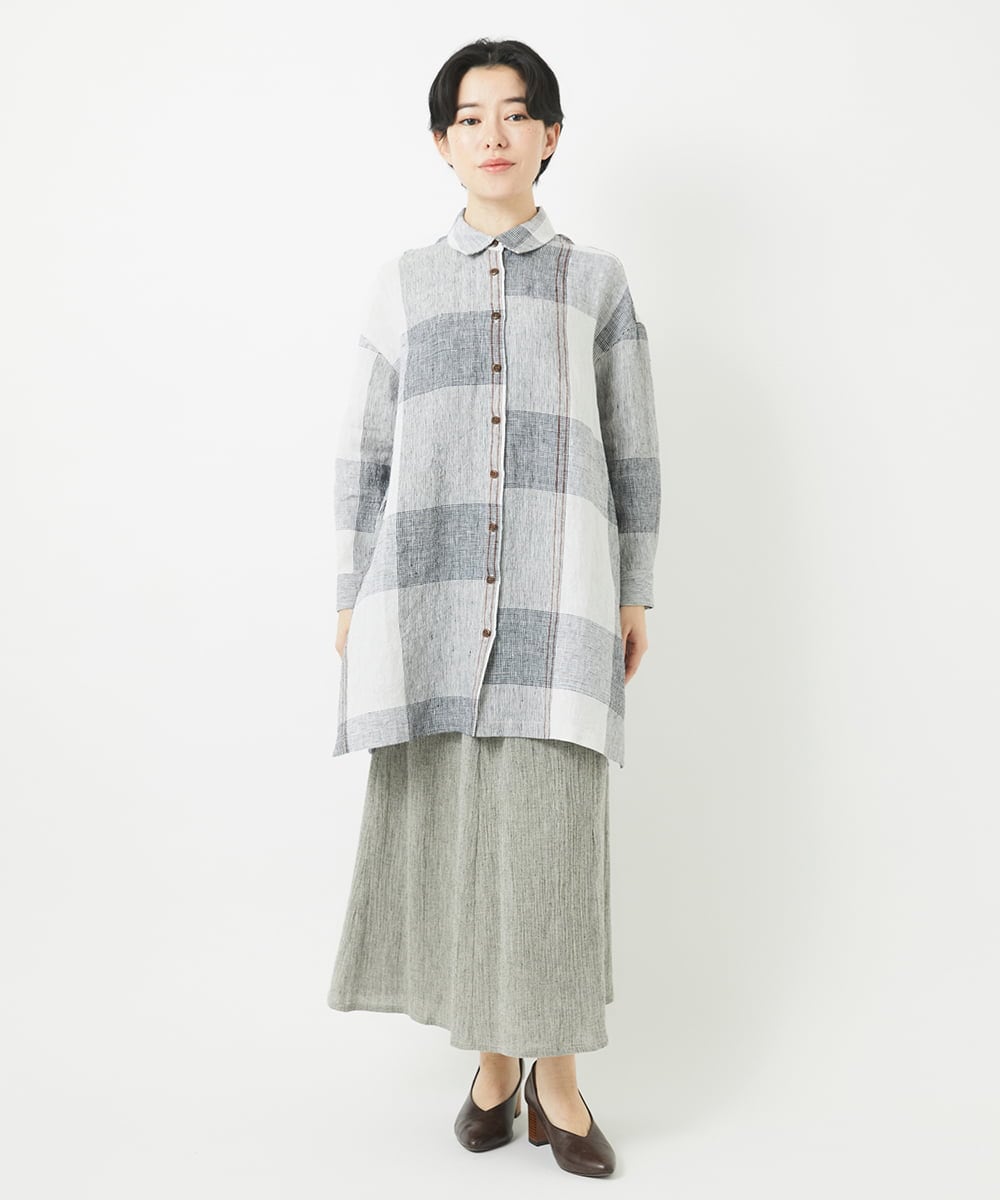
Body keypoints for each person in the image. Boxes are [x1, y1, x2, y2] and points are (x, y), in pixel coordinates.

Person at [326, 37, 660, 1179]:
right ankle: (489, 1068)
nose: (494, 135)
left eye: (515, 114)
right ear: (442, 143)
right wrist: (350, 595)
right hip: (424, 604)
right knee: (460, 834)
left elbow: (633, 448)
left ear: (551, 134)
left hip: (560, 598)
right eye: (470, 119)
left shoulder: (596, 282)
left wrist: (636, 588)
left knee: (551, 841)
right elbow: (364, 453)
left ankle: (557, 1085)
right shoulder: (403, 284)